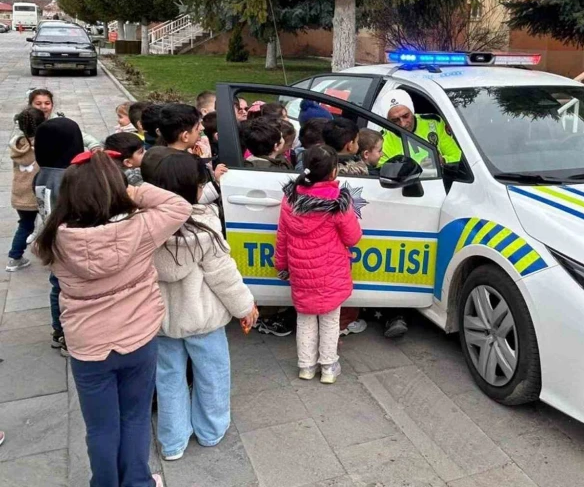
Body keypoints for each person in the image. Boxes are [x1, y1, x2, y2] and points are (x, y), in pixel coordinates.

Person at [35, 150, 191, 487]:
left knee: (101, 427)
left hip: (88, 347)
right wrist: (132, 189)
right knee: (134, 417)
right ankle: (137, 481)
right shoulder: (140, 229)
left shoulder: (53, 239)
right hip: (138, 338)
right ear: (114, 190)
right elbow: (179, 206)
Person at [142, 148, 258, 461]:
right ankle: (211, 430)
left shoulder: (140, 226)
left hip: (160, 321)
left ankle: (173, 440)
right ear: (191, 188)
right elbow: (223, 275)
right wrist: (245, 307)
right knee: (213, 375)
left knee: (167, 378)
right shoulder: (203, 228)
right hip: (203, 320)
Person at [275, 145, 362, 384]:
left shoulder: (290, 198)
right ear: (334, 172)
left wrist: (281, 264)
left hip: (300, 272)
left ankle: (305, 366)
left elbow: (282, 235)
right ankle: (328, 367)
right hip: (330, 272)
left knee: (304, 317)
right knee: (330, 318)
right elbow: (353, 238)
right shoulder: (337, 202)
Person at [34, 118, 86, 356]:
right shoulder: (70, 177)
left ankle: (58, 331)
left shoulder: (42, 173)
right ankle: (67, 334)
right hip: (71, 243)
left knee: (57, 287)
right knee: (69, 291)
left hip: (52, 242)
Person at [374, 89, 462, 167]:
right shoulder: (383, 139)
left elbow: (457, 156)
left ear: (412, 111)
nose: (403, 124)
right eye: (395, 120)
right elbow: (381, 170)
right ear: (388, 120)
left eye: (406, 116)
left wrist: (442, 161)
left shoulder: (434, 123)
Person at [7, 107, 45, 272]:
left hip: (20, 195)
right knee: (50, 224)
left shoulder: (17, 145)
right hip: (38, 193)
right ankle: (50, 256)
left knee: (25, 225)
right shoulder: (43, 144)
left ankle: (14, 258)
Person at [25, 89, 102, 150]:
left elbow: (79, 135)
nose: (43, 107)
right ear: (30, 105)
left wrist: (94, 146)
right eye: (38, 104)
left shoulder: (59, 122)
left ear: (52, 105)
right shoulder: (25, 122)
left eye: (47, 103)